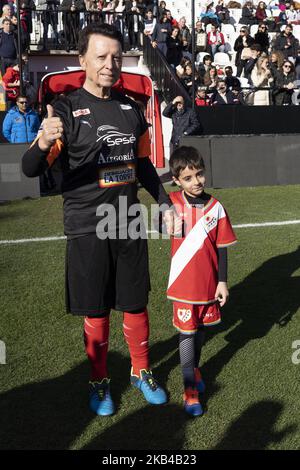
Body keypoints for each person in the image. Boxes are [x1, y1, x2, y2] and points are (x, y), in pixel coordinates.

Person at [22, 23, 175, 417]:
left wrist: (166, 203)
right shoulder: (66, 110)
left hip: (127, 221)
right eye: (101, 56)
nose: (110, 64)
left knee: (135, 302)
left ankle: (142, 372)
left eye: (116, 57)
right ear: (83, 60)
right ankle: (99, 380)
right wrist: (41, 142)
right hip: (87, 225)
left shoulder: (132, 108)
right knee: (96, 309)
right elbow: (29, 169)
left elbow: (142, 165)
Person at [167, 146, 237, 416]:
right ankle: (190, 391)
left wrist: (222, 282)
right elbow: (160, 223)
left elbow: (222, 247)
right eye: (188, 177)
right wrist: (164, 221)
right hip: (183, 286)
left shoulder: (216, 207)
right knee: (186, 335)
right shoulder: (170, 203)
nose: (196, 182)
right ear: (176, 180)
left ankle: (195, 369)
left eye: (199, 174)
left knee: (200, 333)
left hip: (208, 286)